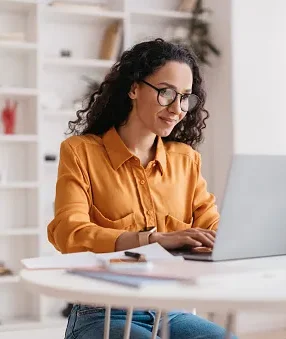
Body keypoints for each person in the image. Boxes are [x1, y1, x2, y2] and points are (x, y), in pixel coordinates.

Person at [47, 39, 236, 339]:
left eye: (185, 97)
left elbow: (211, 227)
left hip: (169, 309)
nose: (177, 108)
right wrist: (153, 239)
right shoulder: (81, 152)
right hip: (101, 312)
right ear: (134, 88)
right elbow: (68, 232)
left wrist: (231, 238)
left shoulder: (185, 160)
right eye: (167, 93)